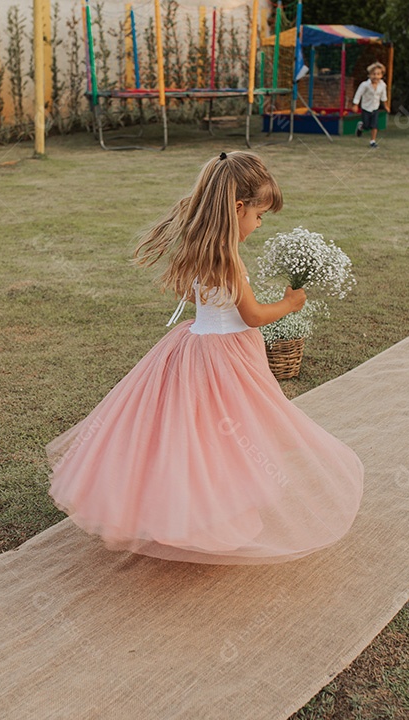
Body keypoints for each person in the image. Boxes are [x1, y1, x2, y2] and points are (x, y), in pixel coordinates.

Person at [45, 151, 364, 565]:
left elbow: (195, 299)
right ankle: (215, 518)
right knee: (228, 435)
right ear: (238, 208)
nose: (259, 224)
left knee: (193, 434)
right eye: (260, 215)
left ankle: (185, 512)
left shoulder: (201, 249)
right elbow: (251, 316)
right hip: (226, 357)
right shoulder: (229, 258)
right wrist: (289, 304)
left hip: (194, 346)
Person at [352, 61, 389, 148]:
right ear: (369, 75)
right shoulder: (365, 85)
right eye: (373, 74)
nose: (375, 76)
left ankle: (372, 141)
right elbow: (358, 94)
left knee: (374, 125)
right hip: (366, 108)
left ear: (381, 75)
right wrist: (355, 104)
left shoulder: (382, 85)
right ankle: (361, 126)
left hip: (375, 108)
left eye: (378, 74)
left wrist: (386, 106)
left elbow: (384, 96)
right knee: (366, 125)